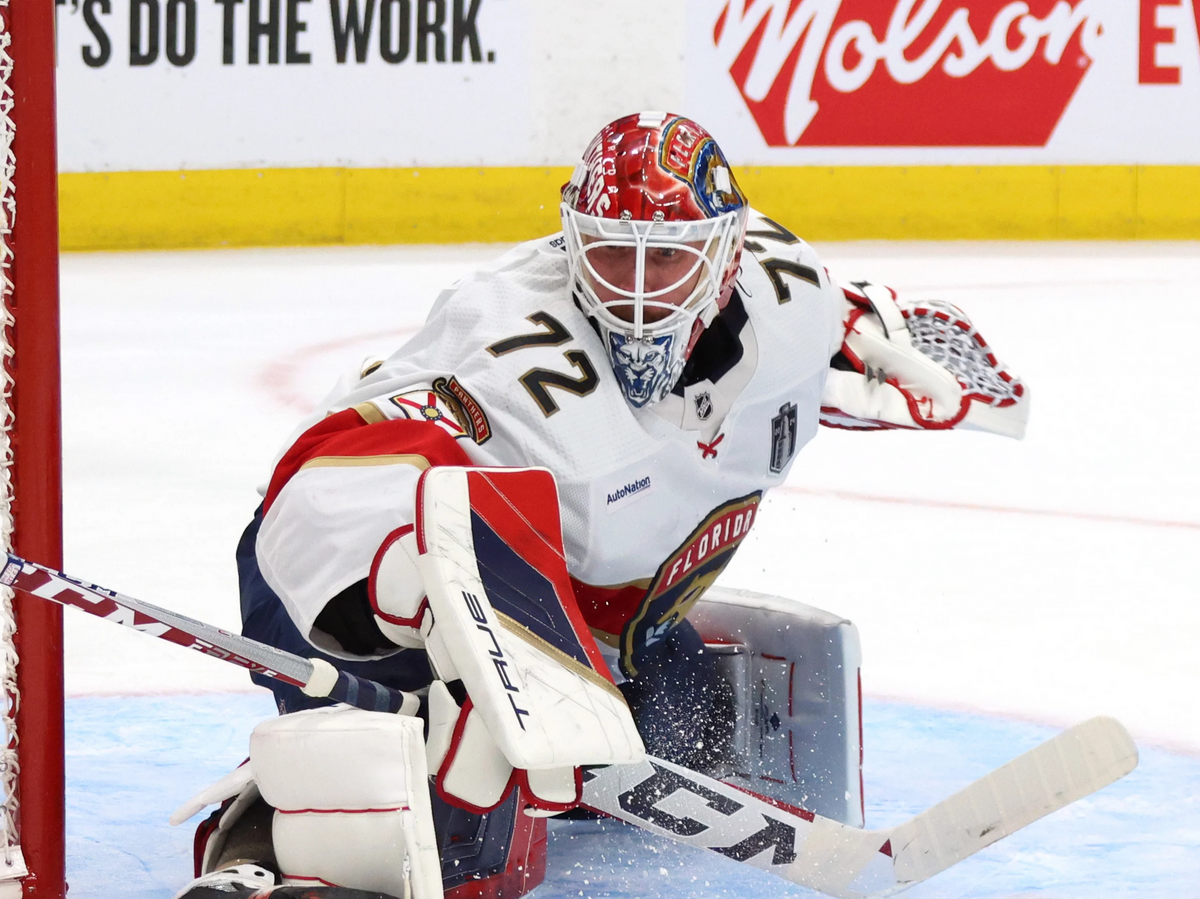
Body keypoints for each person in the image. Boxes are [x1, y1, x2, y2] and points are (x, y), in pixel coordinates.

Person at [178, 111, 1028, 899]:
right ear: (572, 244)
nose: (636, 290)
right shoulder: (507, 353)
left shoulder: (790, 292)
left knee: (683, 730)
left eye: (666, 258)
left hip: (599, 619)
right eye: (612, 253)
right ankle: (260, 843)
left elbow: (819, 335)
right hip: (351, 587)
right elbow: (321, 479)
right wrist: (441, 611)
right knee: (460, 823)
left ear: (726, 256)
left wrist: (863, 368)